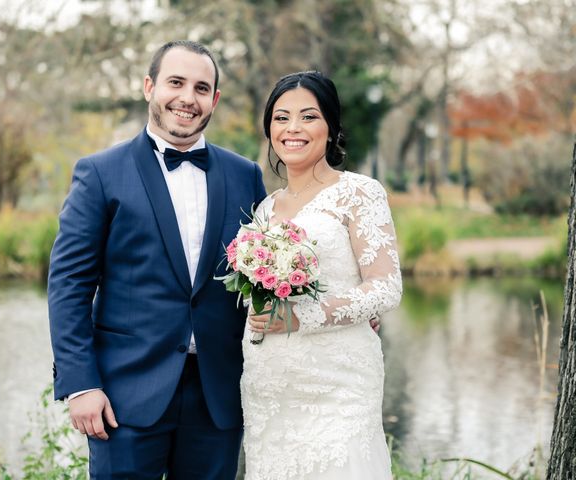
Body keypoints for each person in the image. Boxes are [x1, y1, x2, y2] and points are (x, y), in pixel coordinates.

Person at [48, 40, 267, 479]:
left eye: (201, 88)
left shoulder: (246, 176)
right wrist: (81, 385)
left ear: (214, 101)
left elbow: (265, 278)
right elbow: (69, 285)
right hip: (123, 397)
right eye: (176, 82)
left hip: (218, 397)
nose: (188, 98)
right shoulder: (100, 173)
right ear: (149, 86)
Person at [240, 71, 402, 479]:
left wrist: (302, 316)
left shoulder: (359, 193)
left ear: (330, 129)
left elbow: (385, 287)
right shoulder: (264, 210)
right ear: (269, 129)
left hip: (337, 386)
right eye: (281, 118)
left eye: (308, 116)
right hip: (269, 387)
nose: (293, 128)